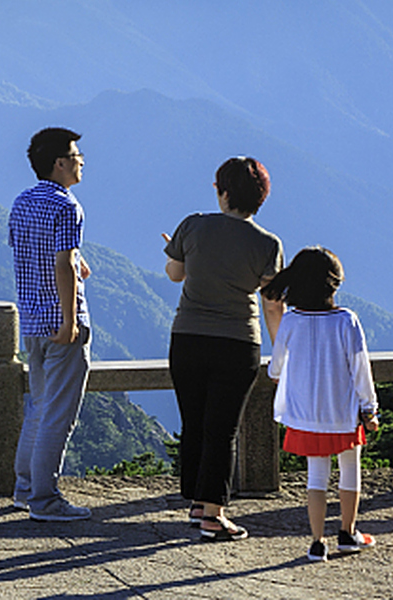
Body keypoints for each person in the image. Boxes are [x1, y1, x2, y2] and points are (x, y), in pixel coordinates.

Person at [161, 156, 283, 542]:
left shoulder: (193, 225)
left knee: (194, 422)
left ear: (223, 192)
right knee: (223, 429)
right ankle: (214, 513)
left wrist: (178, 252)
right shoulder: (267, 243)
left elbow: (175, 274)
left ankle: (200, 505)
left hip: (188, 337)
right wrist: (280, 349)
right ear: (260, 198)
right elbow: (271, 301)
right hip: (237, 342)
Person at [264, 247, 379, 561]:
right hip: (342, 413)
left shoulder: (291, 321)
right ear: (334, 284)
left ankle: (317, 542)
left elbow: (275, 368)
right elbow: (360, 370)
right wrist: (370, 409)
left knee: (316, 477)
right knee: (350, 470)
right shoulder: (346, 320)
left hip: (305, 415)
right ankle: (348, 532)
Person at [8, 126, 93, 522]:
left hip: (31, 321)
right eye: (76, 156)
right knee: (58, 414)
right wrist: (70, 319)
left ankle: (24, 490)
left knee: (39, 408)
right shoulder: (67, 206)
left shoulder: (22, 202)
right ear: (59, 163)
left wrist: (78, 264)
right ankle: (45, 500)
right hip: (60, 323)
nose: (81, 162)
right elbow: (61, 262)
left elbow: (33, 253)